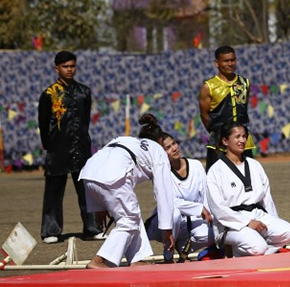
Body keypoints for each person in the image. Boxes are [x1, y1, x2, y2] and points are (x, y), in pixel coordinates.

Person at [79, 114, 177, 269]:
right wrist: (167, 228)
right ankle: (99, 260)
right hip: (114, 175)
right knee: (129, 219)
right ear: (160, 141)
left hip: (88, 174)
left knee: (132, 213)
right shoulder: (158, 150)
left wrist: (98, 207)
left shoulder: (123, 139)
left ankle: (138, 258)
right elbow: (163, 192)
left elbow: (101, 163)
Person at [38, 50, 102, 243]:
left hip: (81, 148)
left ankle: (92, 228)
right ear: (57, 68)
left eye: (72, 66)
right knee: (54, 191)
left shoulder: (84, 92)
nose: (69, 70)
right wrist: (50, 146)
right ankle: (51, 231)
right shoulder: (49, 94)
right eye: (65, 66)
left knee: (86, 189)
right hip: (57, 149)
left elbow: (85, 120)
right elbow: (43, 123)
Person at [205, 121, 290, 256]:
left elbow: (267, 199)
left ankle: (259, 252)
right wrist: (247, 222)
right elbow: (218, 208)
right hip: (230, 224)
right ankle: (240, 253)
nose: (242, 140)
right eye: (237, 137)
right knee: (257, 246)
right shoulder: (216, 171)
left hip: (257, 214)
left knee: (288, 231)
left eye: (244, 136)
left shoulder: (255, 165)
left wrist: (274, 221)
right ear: (225, 141)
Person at [144, 132, 214, 261]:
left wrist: (208, 215)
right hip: (165, 224)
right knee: (174, 213)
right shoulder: (161, 172)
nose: (174, 148)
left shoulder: (196, 165)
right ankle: (168, 257)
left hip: (192, 222)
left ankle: (183, 247)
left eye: (174, 143)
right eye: (168, 148)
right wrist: (198, 208)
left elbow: (205, 195)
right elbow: (168, 202)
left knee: (217, 233)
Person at [198, 46, 255, 168]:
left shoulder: (245, 83)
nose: (230, 64)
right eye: (226, 61)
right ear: (217, 63)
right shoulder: (209, 87)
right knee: (216, 180)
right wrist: (219, 134)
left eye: (232, 60)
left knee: (249, 177)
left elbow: (244, 108)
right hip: (219, 144)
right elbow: (204, 115)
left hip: (244, 142)